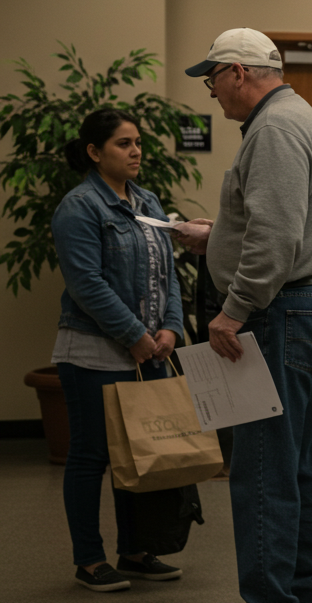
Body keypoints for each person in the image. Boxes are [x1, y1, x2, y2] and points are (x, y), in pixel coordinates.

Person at [175, 28, 312, 603]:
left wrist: (232, 311)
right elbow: (281, 222)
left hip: (280, 314)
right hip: (311, 306)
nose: (212, 93)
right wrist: (220, 235)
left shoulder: (272, 129)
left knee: (261, 470)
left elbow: (276, 238)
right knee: (293, 465)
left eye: (212, 80)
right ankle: (301, 591)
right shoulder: (299, 116)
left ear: (238, 72)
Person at [51, 109, 185, 593]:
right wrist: (134, 334)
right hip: (94, 352)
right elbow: (86, 284)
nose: (135, 152)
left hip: (148, 351)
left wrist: (171, 327)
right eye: (123, 144)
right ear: (94, 151)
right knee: (91, 457)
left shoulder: (147, 200)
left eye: (138, 143)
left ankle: (135, 551)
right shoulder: (79, 207)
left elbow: (168, 273)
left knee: (139, 453)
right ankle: (89, 560)